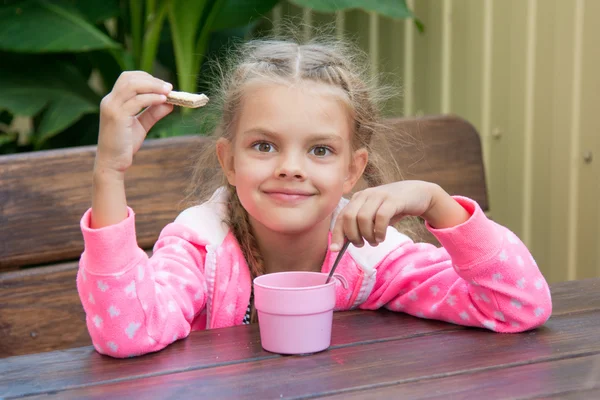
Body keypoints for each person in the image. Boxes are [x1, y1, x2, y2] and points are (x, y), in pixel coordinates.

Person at [77, 38, 552, 358]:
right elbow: (127, 333)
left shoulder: (373, 265)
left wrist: (435, 201)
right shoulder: (200, 251)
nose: (291, 167)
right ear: (228, 161)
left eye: (320, 150)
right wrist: (109, 173)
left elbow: (518, 306)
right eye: (264, 145)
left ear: (353, 170)